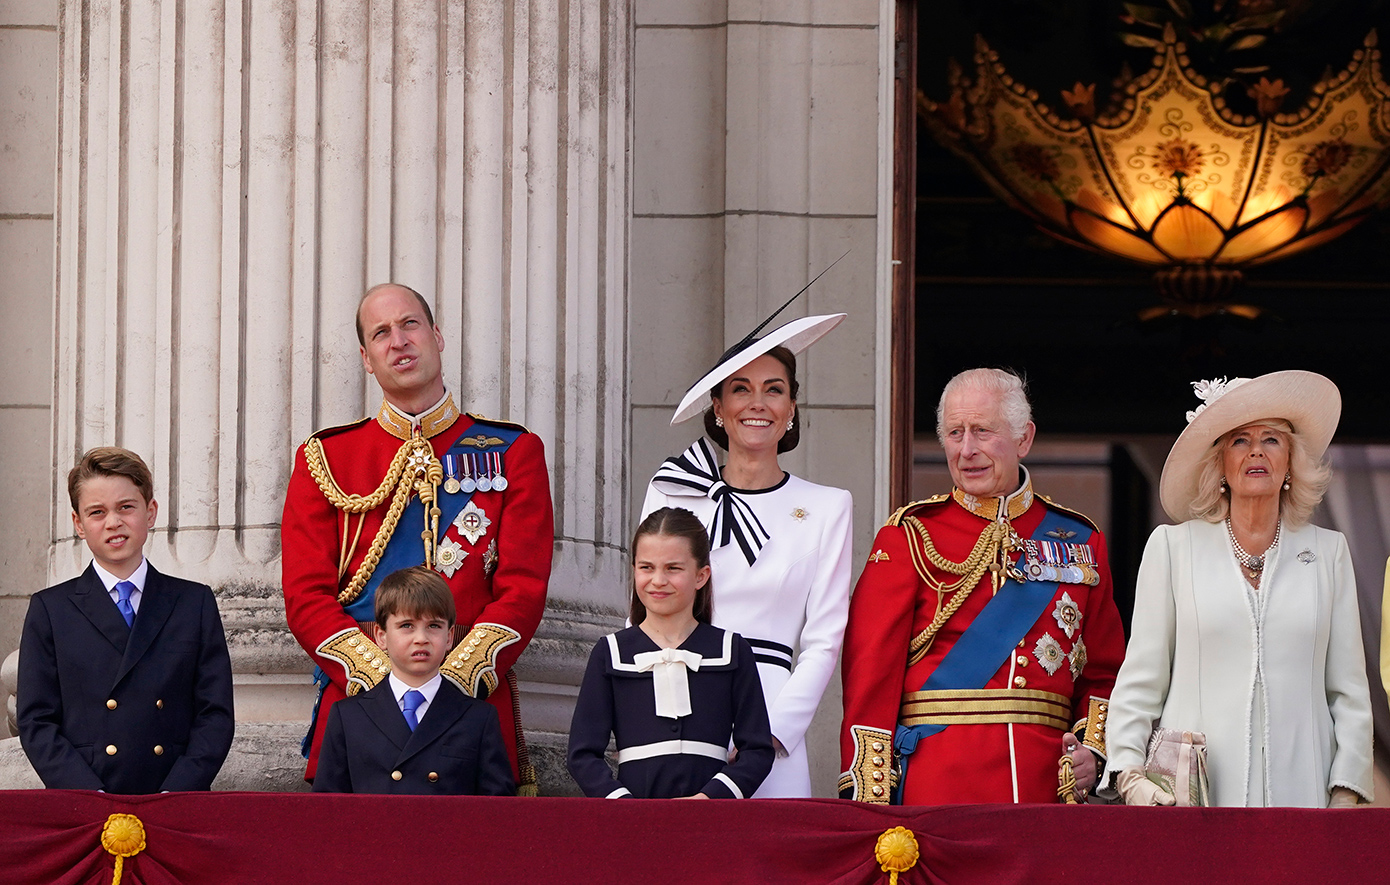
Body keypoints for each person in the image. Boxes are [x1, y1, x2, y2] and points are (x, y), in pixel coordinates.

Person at [281, 283, 554, 791]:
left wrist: (453, 677)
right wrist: (383, 680)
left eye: (409, 324)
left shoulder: (514, 450)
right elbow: (304, 594)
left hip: (470, 704)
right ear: (366, 358)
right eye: (380, 333)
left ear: (437, 336)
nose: (398, 341)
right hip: (359, 707)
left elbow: (524, 586)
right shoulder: (326, 459)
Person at [839, 368, 1125, 804]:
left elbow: (1104, 670)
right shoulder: (910, 535)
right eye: (955, 433)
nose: (966, 450)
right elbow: (870, 676)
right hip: (936, 782)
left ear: (1023, 439)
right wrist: (870, 797)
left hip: (1045, 785)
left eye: (982, 432)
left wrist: (1092, 750)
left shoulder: (1081, 540)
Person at [1105, 372, 1373, 807]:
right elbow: (1140, 680)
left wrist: (1345, 791)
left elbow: (1348, 692)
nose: (1255, 451)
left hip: (1305, 800)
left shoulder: (1328, 552)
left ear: (1290, 461)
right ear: (1221, 465)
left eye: (1271, 439)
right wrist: (1129, 775)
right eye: (1239, 440)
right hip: (1192, 802)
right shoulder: (1174, 549)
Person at [641, 312, 852, 797]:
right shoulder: (673, 492)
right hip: (677, 703)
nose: (758, 403)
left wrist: (771, 734)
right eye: (740, 388)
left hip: (770, 714)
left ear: (792, 406)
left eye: (774, 389)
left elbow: (824, 640)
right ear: (717, 405)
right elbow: (642, 614)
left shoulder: (827, 506)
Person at [17, 447, 234, 793]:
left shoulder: (194, 603)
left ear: (150, 513)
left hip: (174, 799)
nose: (113, 522)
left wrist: (175, 792)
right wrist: (90, 796)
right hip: (86, 802)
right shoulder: (50, 609)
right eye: (97, 512)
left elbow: (215, 714)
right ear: (79, 524)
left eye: (126, 507)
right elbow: (36, 720)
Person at [567, 507, 774, 799]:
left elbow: (757, 750)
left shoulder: (732, 650)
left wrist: (711, 798)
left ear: (701, 576)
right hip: (633, 820)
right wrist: (621, 803)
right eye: (646, 567)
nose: (658, 580)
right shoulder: (610, 652)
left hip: (713, 818)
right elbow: (582, 754)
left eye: (673, 568)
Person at [313, 566, 515, 795]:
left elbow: (498, 813)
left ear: (449, 637)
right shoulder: (348, 716)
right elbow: (327, 810)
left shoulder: (478, 718)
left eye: (434, 626)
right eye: (406, 626)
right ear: (382, 636)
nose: (421, 639)